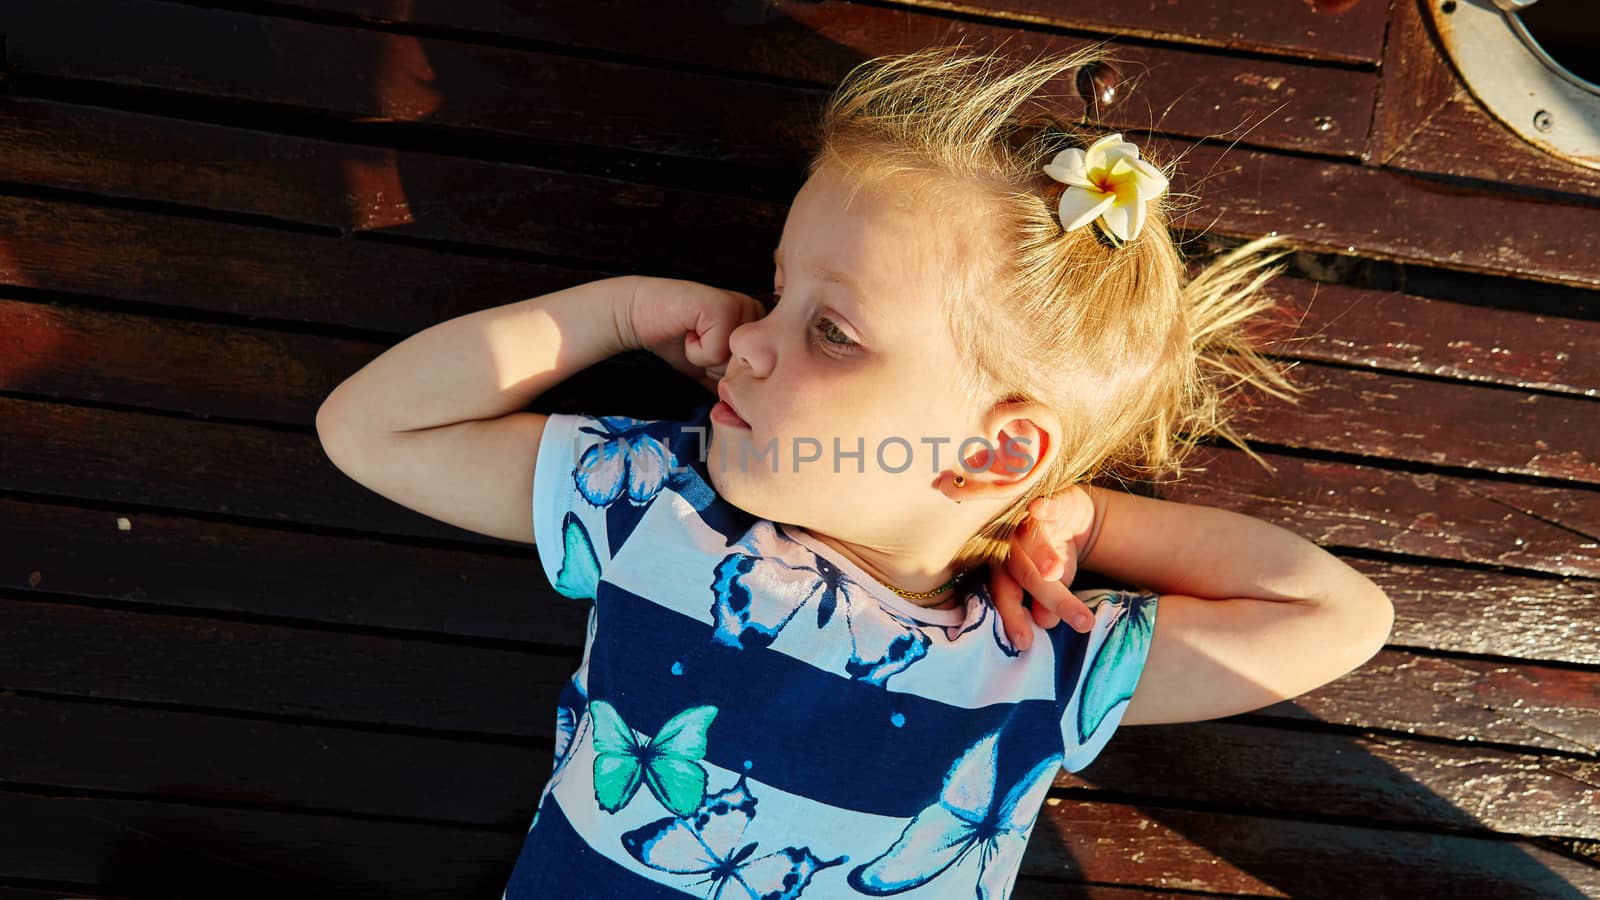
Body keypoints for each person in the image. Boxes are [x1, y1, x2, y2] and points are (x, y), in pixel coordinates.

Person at [315, 43, 1394, 900]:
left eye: (829, 329)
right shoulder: (658, 506)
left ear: (994, 449)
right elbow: (372, 431)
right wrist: (616, 311)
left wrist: (1075, 515)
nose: (746, 337)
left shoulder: (1030, 658)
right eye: (774, 289)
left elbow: (1332, 613)